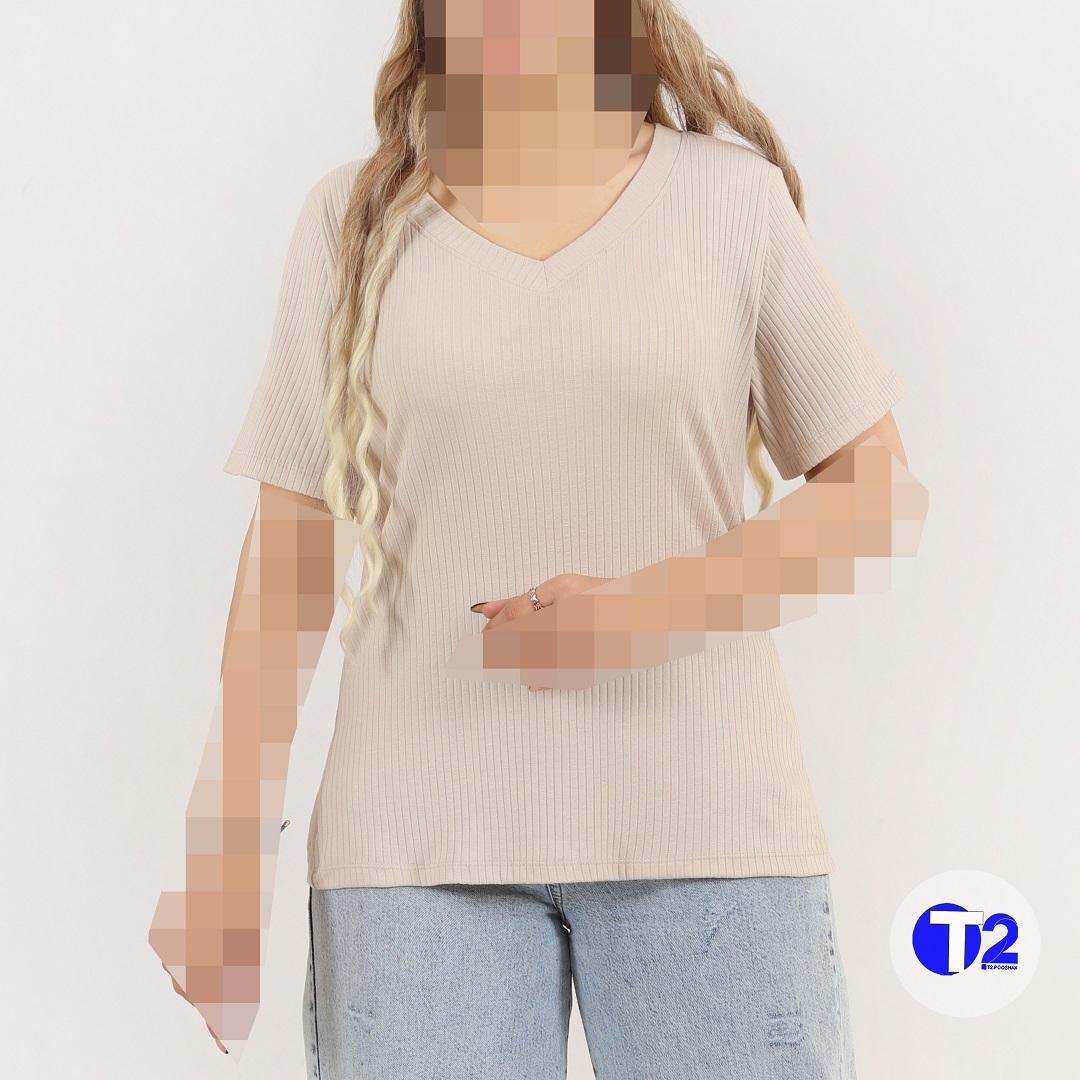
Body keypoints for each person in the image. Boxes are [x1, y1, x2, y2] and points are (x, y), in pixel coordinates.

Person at [152, 1, 926, 1076]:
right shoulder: (353, 220)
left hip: (710, 829)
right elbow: (292, 546)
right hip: (411, 849)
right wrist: (227, 851)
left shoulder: (729, 201)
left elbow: (879, 498)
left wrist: (646, 612)